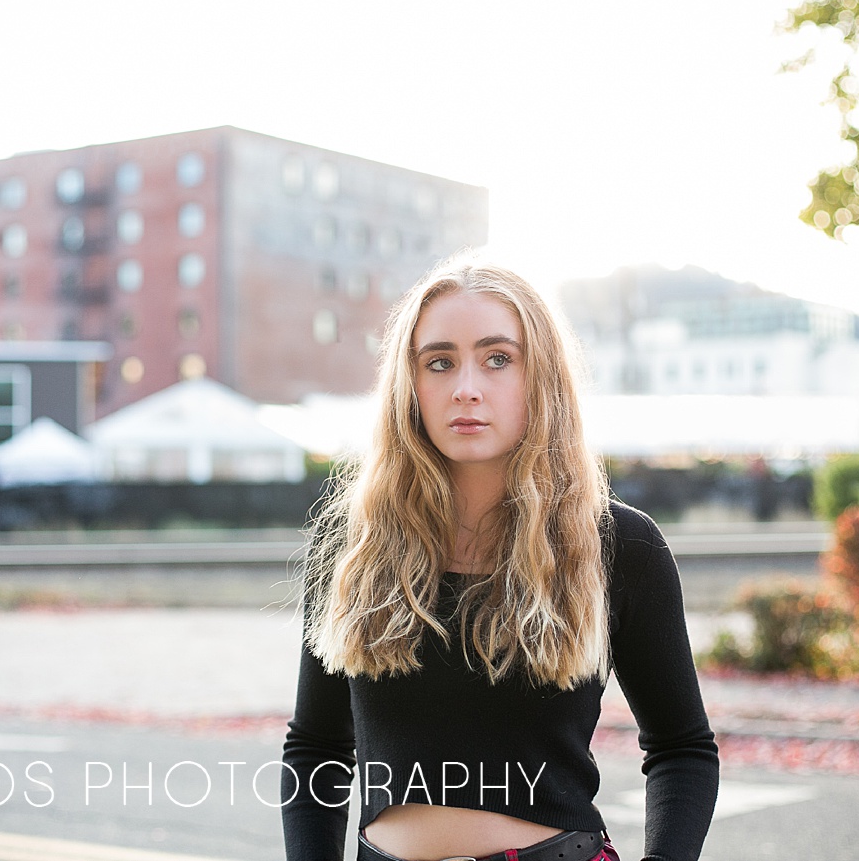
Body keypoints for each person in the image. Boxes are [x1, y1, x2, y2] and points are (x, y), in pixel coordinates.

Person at [281, 259, 717, 861]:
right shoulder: (351, 547)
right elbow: (317, 749)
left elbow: (681, 747)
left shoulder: (616, 543)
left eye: (497, 359)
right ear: (410, 384)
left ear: (540, 377)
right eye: (439, 362)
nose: (465, 387)